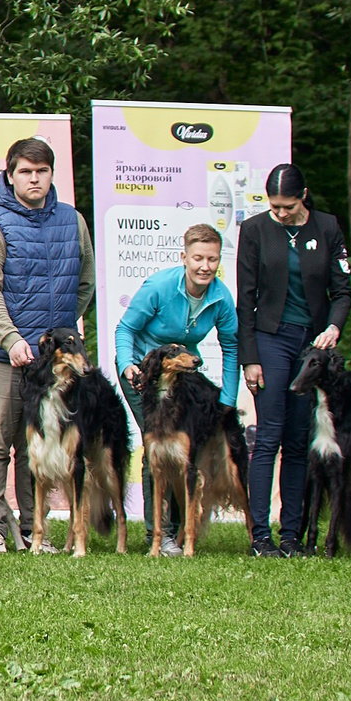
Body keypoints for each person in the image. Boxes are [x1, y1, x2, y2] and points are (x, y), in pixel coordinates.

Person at [0, 136, 94, 554]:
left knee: (34, 445)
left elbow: (86, 282)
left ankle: (29, 530)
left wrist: (59, 337)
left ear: (52, 175)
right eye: (26, 171)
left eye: (41, 171)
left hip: (49, 362)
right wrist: (13, 339)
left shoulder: (72, 221)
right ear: (10, 174)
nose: (34, 179)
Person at [234, 164, 351, 557]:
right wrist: (250, 358)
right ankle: (261, 536)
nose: (280, 213)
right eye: (274, 206)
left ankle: (291, 535)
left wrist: (334, 327)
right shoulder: (255, 230)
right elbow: (245, 299)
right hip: (271, 338)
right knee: (269, 435)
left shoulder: (328, 227)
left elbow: (343, 291)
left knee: (299, 441)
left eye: (286, 206)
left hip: (311, 344)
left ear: (303, 196)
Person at [115, 225, 240, 554]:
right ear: (184, 257)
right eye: (198, 258)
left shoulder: (221, 298)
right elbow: (126, 328)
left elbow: (232, 347)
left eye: (212, 259)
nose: (205, 266)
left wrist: (228, 399)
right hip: (143, 371)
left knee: (180, 451)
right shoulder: (160, 287)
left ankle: (183, 530)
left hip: (181, 372)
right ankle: (158, 534)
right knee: (155, 447)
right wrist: (129, 364)